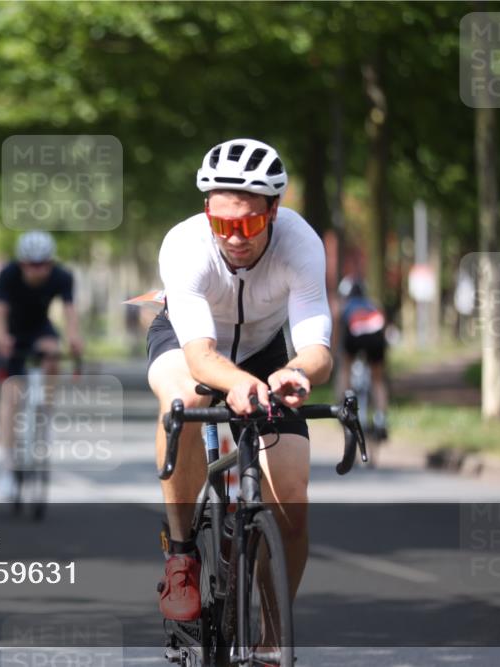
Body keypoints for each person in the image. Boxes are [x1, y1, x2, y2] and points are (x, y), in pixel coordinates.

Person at [147, 138, 332, 622]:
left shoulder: (301, 243)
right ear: (206, 211)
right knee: (183, 402)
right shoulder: (185, 245)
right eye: (222, 224)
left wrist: (296, 372)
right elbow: (201, 356)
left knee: (291, 498)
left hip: (265, 348)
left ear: (274, 210)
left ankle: (274, 636)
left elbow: (318, 348)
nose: (234, 238)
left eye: (248, 224)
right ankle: (182, 554)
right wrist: (236, 384)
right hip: (188, 343)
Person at [0, 230, 83, 499]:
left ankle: (46, 410)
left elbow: (69, 311)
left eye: (43, 264)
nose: (37, 270)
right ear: (21, 263)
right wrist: (0, 339)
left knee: (52, 351)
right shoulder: (7, 275)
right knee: (11, 396)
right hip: (12, 332)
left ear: (50, 263)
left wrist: (74, 339)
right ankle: (7, 466)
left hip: (40, 330)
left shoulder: (62, 277)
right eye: (31, 265)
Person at [336, 276, 389, 440]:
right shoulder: (372, 305)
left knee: (345, 367)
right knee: (378, 378)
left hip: (354, 335)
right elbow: (384, 326)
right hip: (376, 337)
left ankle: (343, 406)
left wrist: (337, 354)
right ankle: (381, 418)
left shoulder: (345, 306)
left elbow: (338, 335)